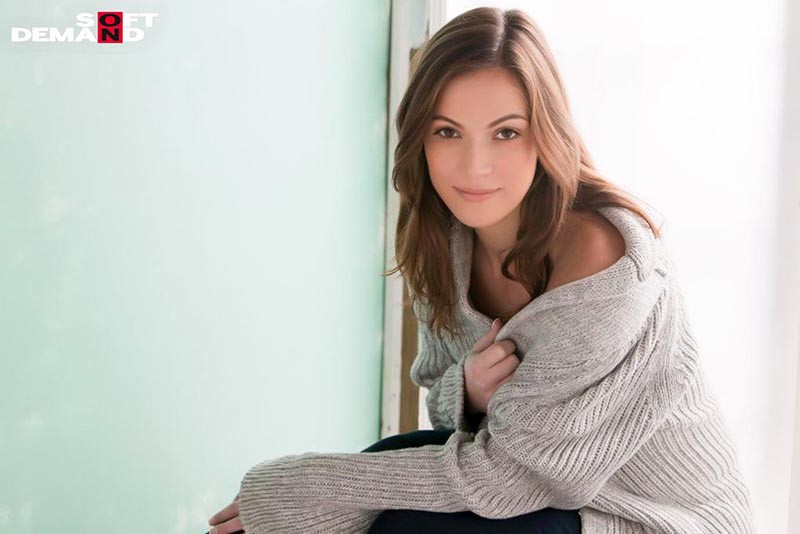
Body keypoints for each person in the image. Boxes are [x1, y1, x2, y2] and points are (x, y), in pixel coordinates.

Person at [208, 7, 757, 533]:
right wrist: (468, 389)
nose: (474, 168)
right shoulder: (443, 238)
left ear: (546, 134)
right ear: (420, 137)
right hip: (536, 488)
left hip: (649, 516)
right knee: (378, 485)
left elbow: (508, 481)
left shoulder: (605, 264)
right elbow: (446, 413)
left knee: (390, 515)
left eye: (506, 133)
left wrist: (303, 485)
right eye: (448, 132)